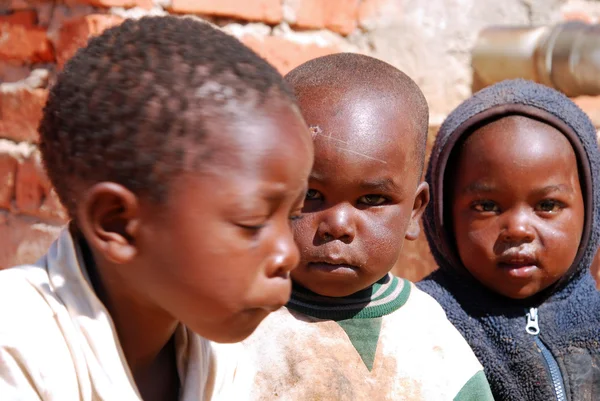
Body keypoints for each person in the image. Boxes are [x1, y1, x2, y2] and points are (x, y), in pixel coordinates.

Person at [0, 16, 313, 401]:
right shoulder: (16, 347)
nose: (288, 254)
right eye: (251, 222)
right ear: (118, 224)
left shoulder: (220, 360)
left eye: (293, 215)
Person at [225, 53, 493, 400]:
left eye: (371, 200)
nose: (337, 225)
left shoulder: (429, 337)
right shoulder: (229, 323)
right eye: (311, 194)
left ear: (414, 212)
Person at [418, 79, 600, 401]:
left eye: (547, 205)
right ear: (441, 214)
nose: (518, 230)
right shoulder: (423, 323)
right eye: (487, 206)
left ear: (590, 210)